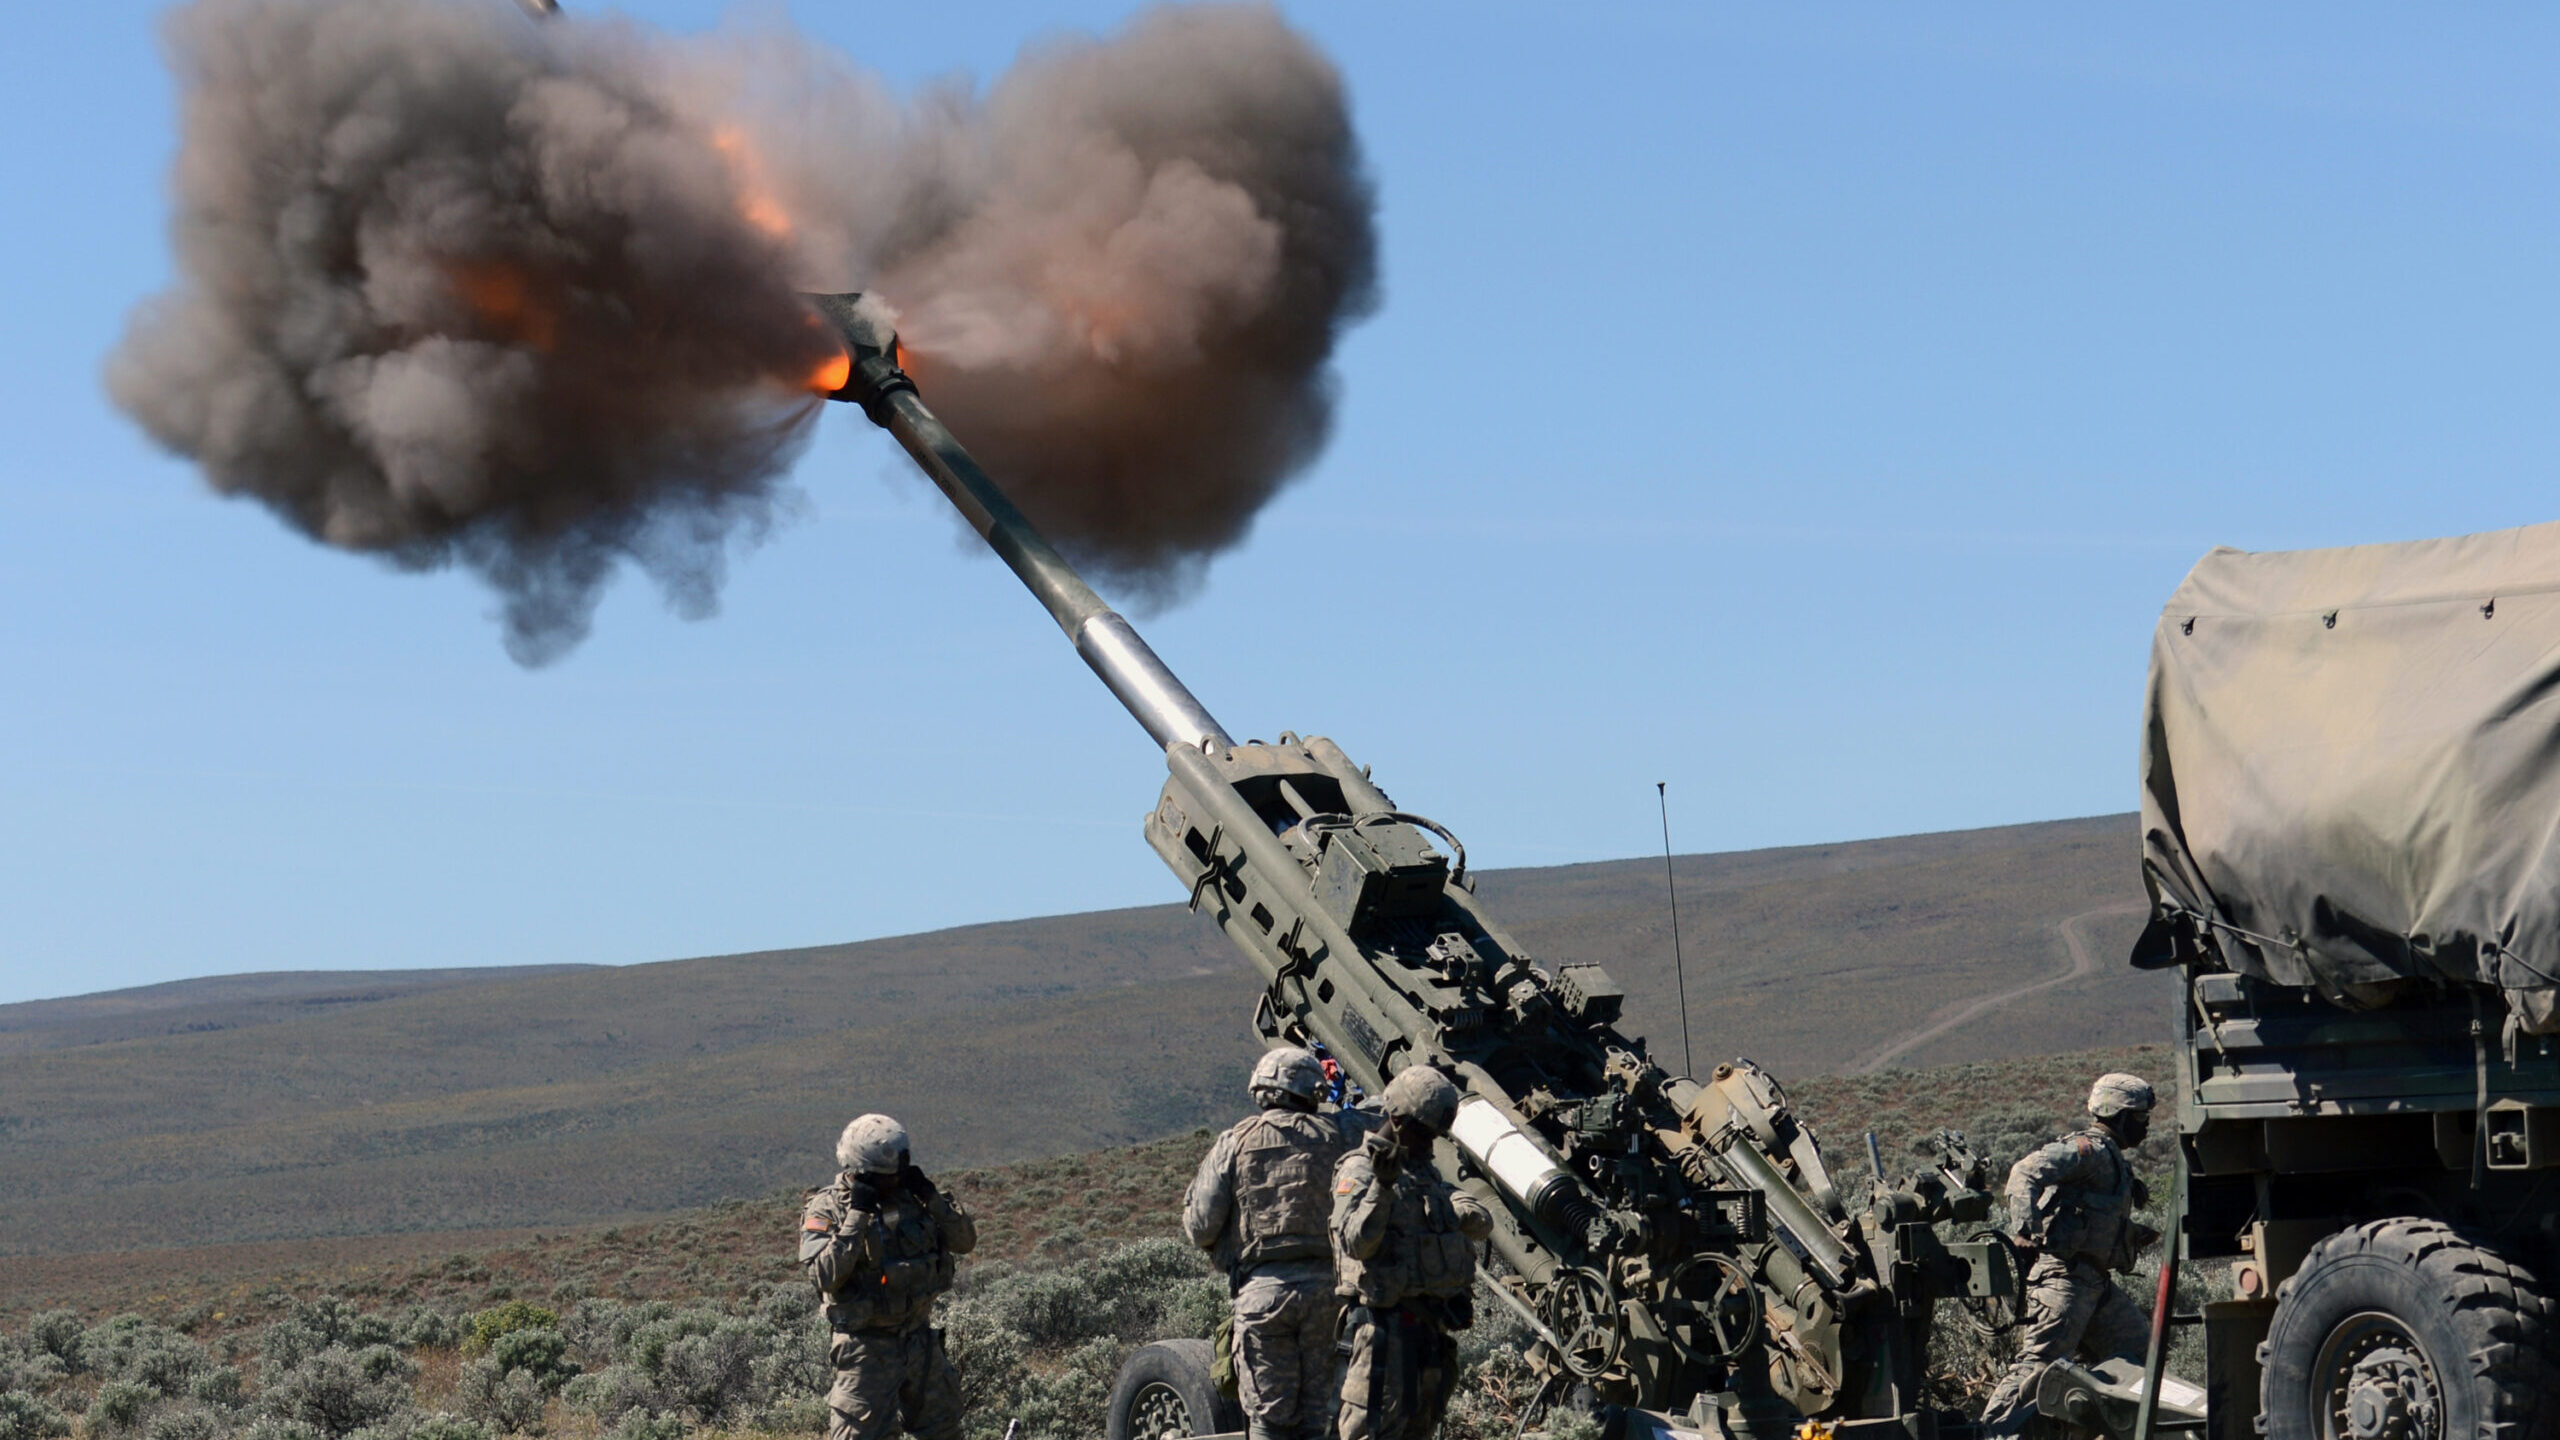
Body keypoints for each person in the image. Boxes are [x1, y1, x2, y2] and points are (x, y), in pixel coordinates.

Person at [1185, 1047, 1379, 1440]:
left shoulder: (1234, 1142)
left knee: (1269, 1422)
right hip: (1331, 1297)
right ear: (1312, 1090)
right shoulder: (1342, 1134)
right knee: (1320, 1421)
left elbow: (1201, 1226)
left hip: (1263, 1297)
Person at [1979, 1073, 2162, 1436]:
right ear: (2120, 1116)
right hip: (2065, 1281)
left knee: (2139, 1353)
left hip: (2094, 1284)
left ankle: (2078, 1426)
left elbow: (2092, 1215)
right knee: (2037, 1367)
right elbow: (2024, 1173)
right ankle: (1990, 1432)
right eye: (2140, 1118)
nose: (2146, 1126)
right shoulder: (2088, 1152)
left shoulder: (2113, 1161)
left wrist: (2131, 1236)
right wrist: (2025, 1229)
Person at [1330, 1066, 1494, 1440]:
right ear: (1398, 1120)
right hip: (1382, 1336)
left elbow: (1478, 1221)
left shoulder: (1426, 1174)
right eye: (1423, 1134)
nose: (1430, 1145)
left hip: (1428, 1333)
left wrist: (1460, 1207)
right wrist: (1381, 1189)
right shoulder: (1358, 1170)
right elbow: (1355, 1242)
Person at [800, 1114, 977, 1440]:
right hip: (866, 1349)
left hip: (920, 1341)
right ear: (860, 1172)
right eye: (886, 1177)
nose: (894, 1182)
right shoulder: (828, 1208)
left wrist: (932, 1197)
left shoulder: (914, 1197)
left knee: (945, 1431)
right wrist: (858, 1215)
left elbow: (965, 1241)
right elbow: (823, 1276)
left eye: (898, 1174)